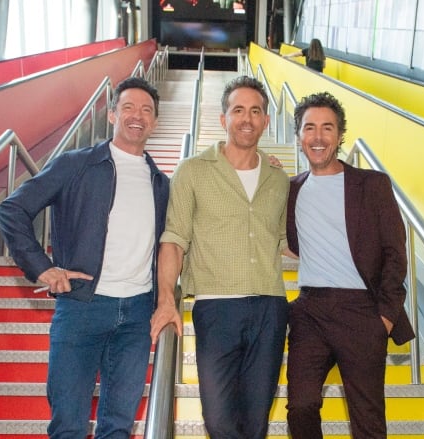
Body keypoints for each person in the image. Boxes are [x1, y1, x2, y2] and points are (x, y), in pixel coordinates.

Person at [0, 76, 169, 439]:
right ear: (112, 114)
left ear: (154, 120)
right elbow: (12, 210)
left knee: (118, 426)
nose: (137, 116)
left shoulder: (160, 182)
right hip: (81, 308)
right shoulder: (75, 165)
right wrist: (42, 269)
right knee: (68, 426)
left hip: (137, 314)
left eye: (146, 110)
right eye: (128, 108)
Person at [150, 75, 289, 438]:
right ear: (222, 119)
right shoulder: (193, 171)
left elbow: (287, 240)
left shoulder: (278, 177)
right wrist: (167, 299)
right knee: (220, 422)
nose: (247, 118)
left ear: (266, 121)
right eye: (238, 110)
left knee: (256, 423)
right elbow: (174, 239)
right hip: (217, 308)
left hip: (270, 309)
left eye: (256, 111)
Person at [284, 91, 415, 438]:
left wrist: (384, 318)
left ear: (340, 135)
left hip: (362, 312)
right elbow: (293, 243)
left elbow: (395, 253)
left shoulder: (372, 185)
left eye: (327, 128)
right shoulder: (292, 189)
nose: (318, 137)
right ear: (298, 136)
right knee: (300, 405)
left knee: (367, 419)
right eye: (309, 128)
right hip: (309, 310)